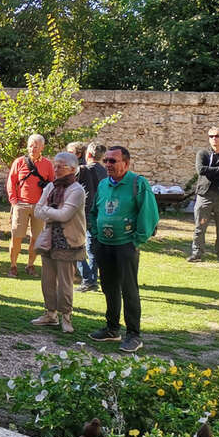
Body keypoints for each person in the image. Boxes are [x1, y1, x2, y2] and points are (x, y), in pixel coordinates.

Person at [89, 146, 160, 353]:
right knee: (109, 287)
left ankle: (134, 335)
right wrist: (95, 232)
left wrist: (136, 240)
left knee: (129, 289)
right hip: (104, 244)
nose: (108, 165)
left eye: (113, 161)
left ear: (126, 164)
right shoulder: (103, 184)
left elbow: (149, 214)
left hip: (126, 245)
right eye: (106, 161)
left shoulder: (138, 183)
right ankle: (112, 328)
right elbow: (94, 211)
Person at [31, 152, 87, 334]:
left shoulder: (77, 190)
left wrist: (46, 210)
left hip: (68, 241)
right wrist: (48, 210)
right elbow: (37, 211)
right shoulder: (50, 187)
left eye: (60, 166)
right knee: (47, 279)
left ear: (72, 169)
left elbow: (64, 215)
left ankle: (66, 317)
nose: (55, 169)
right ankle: (50, 314)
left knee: (65, 282)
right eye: (55, 165)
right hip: (49, 238)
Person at [188, 127, 219, 264]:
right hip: (205, 195)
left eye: (217, 136)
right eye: (211, 136)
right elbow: (201, 170)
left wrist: (213, 172)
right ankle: (197, 253)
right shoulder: (203, 154)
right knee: (200, 226)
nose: (214, 139)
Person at [6, 134, 53, 277]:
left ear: (42, 148)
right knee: (16, 236)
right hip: (21, 204)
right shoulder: (19, 162)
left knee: (36, 238)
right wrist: (14, 201)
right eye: (31, 145)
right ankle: (13, 265)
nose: (33, 148)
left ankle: (30, 265)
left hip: (39, 207)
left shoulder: (47, 164)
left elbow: (52, 184)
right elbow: (11, 182)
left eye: (36, 145)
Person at [76, 143, 108, 291]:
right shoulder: (105, 171)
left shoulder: (83, 170)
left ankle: (88, 278)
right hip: (99, 213)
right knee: (92, 248)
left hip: (83, 212)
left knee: (74, 247)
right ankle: (92, 279)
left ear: (88, 154)